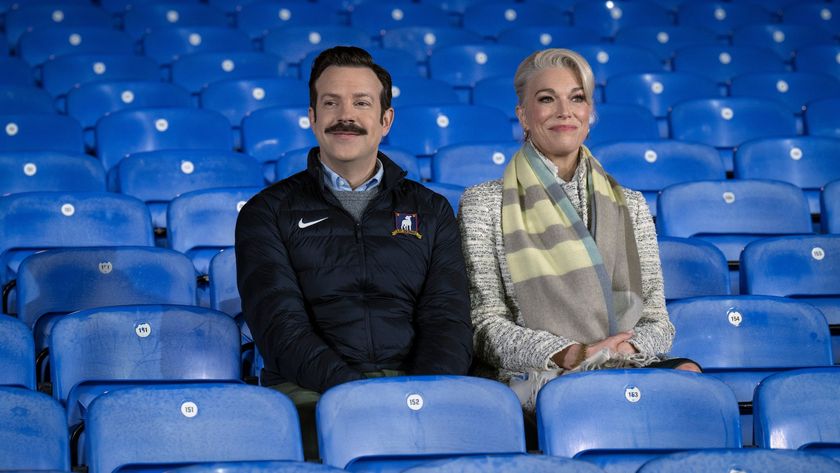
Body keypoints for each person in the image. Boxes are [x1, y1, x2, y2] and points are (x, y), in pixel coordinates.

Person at [235, 46, 473, 459]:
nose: (345, 116)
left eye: (361, 103)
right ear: (312, 117)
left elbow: (448, 321)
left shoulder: (431, 209)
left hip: (420, 390)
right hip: (310, 393)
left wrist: (418, 396)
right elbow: (281, 330)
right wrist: (361, 396)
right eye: (331, 103)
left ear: (386, 120)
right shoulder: (267, 212)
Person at [458, 48, 700, 413]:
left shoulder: (631, 204)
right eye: (546, 99)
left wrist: (621, 350)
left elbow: (656, 319)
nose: (564, 111)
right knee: (580, 396)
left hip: (621, 362)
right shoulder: (484, 203)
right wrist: (575, 353)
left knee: (689, 377)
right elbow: (485, 326)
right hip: (537, 372)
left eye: (577, 98)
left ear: (589, 115)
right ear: (523, 114)